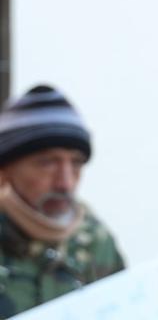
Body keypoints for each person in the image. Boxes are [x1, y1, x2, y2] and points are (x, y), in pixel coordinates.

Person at [0, 84, 125, 316]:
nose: (65, 183)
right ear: (5, 171)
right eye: (47, 162)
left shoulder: (94, 240)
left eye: (76, 163)